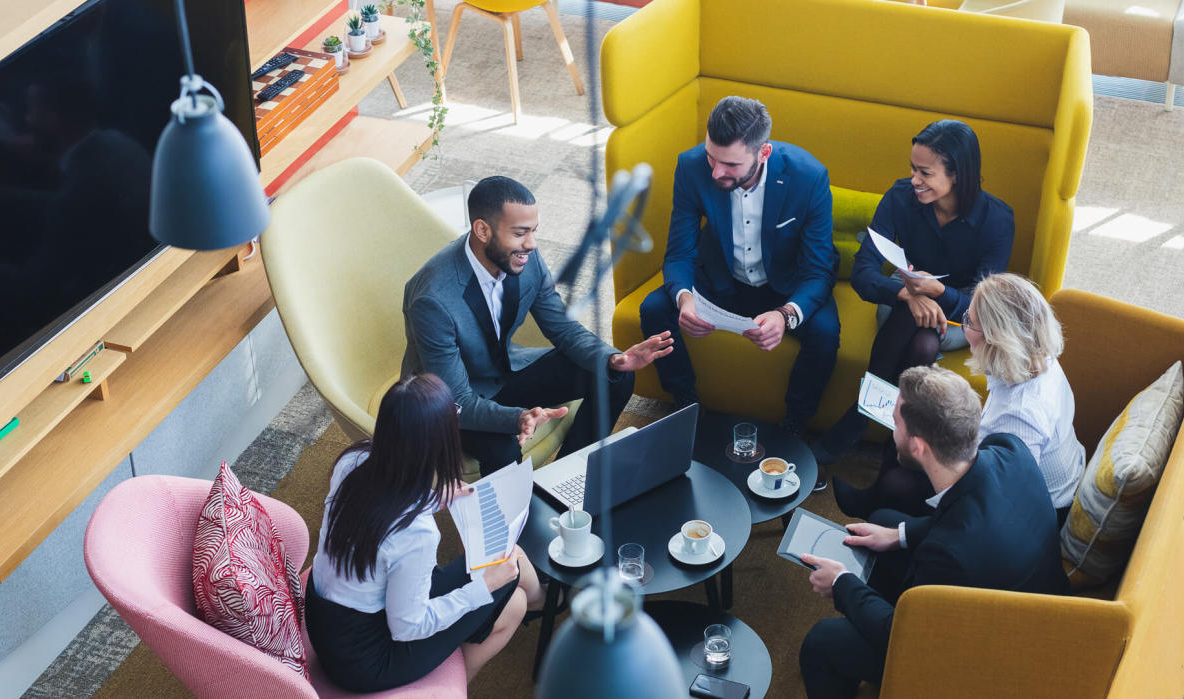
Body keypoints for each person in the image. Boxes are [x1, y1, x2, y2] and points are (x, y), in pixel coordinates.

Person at [797, 366, 1068, 699]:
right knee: (885, 520)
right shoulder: (1009, 450)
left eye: (895, 422)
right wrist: (899, 535)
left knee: (823, 642)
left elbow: (903, 632)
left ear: (919, 446)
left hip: (996, 656)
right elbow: (967, 510)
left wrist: (841, 583)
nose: (891, 430)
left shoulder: (949, 556)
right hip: (1039, 603)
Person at [402, 176, 673, 476]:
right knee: (504, 449)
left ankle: (568, 482)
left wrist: (613, 358)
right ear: (482, 230)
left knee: (614, 374)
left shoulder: (522, 256)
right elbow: (458, 400)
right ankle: (521, 521)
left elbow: (561, 326)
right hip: (447, 404)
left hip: (501, 373)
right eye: (520, 233)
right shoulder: (433, 298)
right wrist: (518, 417)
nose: (531, 244)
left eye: (533, 231)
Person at [305, 374, 546, 692]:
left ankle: (536, 602)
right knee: (508, 566)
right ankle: (542, 602)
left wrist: (433, 498)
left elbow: (378, 514)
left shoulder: (355, 459)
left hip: (324, 618)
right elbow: (408, 626)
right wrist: (484, 586)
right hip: (366, 658)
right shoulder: (416, 532)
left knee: (512, 597)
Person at [638, 95, 840, 448]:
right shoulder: (690, 166)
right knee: (654, 308)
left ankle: (795, 424)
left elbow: (819, 271)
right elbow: (680, 252)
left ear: (763, 153)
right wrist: (685, 298)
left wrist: (786, 315)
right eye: (711, 157)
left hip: (783, 286)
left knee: (825, 333)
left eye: (730, 164)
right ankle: (686, 403)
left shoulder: (809, 176)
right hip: (720, 278)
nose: (716, 171)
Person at [813, 120, 1014, 465]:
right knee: (921, 339)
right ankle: (895, 459)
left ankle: (861, 417)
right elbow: (863, 273)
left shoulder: (997, 220)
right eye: (913, 169)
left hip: (962, 313)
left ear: (958, 175)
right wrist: (909, 295)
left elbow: (986, 311)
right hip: (901, 295)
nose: (915, 180)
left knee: (925, 339)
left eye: (925, 173)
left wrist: (939, 292)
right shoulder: (901, 197)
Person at [835, 274, 1085, 524]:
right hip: (1033, 472)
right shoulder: (1037, 356)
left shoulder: (1019, 416)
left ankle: (877, 509)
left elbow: (999, 498)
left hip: (1035, 510)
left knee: (900, 478)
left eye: (970, 321)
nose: (963, 327)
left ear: (996, 339)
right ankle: (873, 499)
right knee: (914, 430)